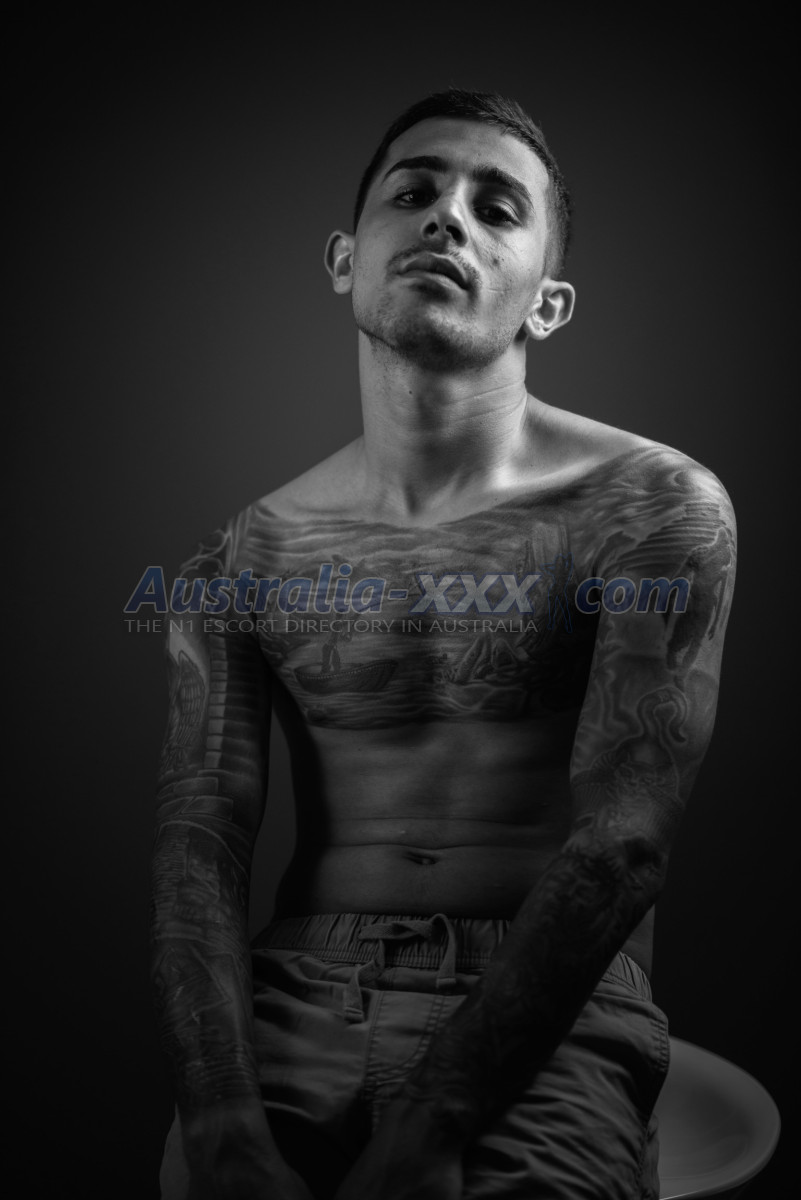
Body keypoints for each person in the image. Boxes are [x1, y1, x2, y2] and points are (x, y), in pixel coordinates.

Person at [151, 89, 736, 1199]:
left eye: (496, 207)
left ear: (547, 303)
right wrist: (219, 1118)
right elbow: (198, 848)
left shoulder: (651, 507)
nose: (445, 217)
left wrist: (433, 1127)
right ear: (345, 260)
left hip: (551, 1008)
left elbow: (623, 843)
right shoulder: (240, 554)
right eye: (412, 192)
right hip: (295, 990)